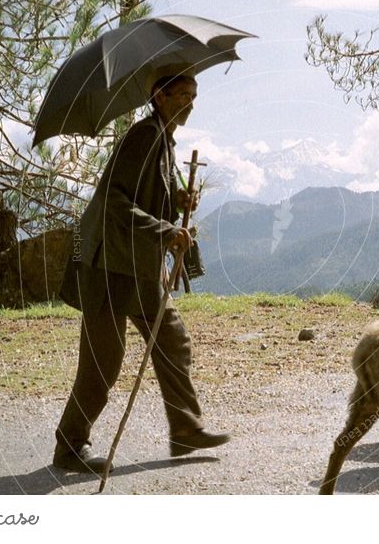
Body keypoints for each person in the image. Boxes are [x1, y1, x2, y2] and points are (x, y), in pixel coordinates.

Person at [53, 73, 229, 474]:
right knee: (104, 362)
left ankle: (185, 429)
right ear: (159, 96)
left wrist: (177, 200)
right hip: (106, 265)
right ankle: (69, 445)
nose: (190, 102)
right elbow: (114, 200)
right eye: (183, 94)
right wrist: (166, 231)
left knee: (172, 339)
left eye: (194, 96)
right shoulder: (144, 137)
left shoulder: (165, 141)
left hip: (136, 266)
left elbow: (148, 198)